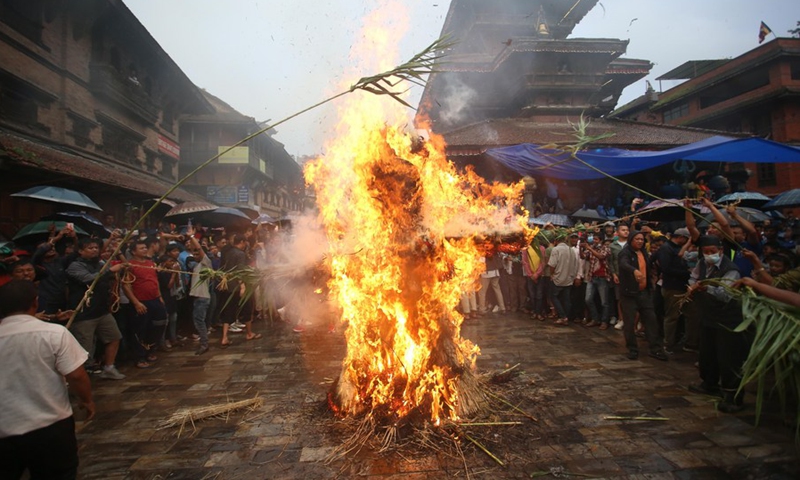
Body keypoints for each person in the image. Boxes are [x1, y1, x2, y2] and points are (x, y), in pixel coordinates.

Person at [0, 280, 95, 480]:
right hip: (50, 425)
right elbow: (76, 375)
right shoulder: (53, 333)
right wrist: (86, 400)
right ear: (35, 303)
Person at [686, 235, 749, 413]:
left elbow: (726, 294)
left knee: (728, 357)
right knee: (707, 353)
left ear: (720, 250)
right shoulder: (702, 264)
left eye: (713, 252)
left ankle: (733, 395)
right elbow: (693, 278)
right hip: (709, 316)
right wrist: (693, 286)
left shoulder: (731, 270)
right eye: (706, 252)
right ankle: (709, 383)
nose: (709, 255)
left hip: (728, 319)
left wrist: (706, 288)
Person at [65, 238, 127, 379]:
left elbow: (110, 277)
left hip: (102, 310)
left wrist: (118, 270)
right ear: (80, 251)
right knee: (84, 347)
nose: (94, 250)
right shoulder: (75, 266)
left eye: (96, 247)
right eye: (90, 248)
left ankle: (109, 367)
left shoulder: (100, 263)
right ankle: (81, 375)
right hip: (84, 313)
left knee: (114, 336)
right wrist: (110, 270)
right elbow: (89, 279)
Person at [617, 231, 668, 361]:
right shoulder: (625, 253)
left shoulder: (644, 252)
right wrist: (634, 270)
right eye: (637, 239)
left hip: (644, 292)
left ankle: (655, 349)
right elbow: (623, 263)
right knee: (629, 322)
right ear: (630, 240)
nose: (639, 241)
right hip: (629, 293)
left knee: (651, 319)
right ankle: (632, 349)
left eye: (641, 239)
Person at [123, 239, 168, 368]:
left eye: (144, 247)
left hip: (155, 299)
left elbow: (155, 281)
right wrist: (136, 303)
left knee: (159, 323)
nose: (144, 250)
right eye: (141, 248)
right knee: (140, 329)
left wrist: (159, 296)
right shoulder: (130, 265)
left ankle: (150, 349)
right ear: (133, 251)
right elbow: (126, 286)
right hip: (141, 301)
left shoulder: (150, 263)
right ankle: (140, 356)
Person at [653, 228, 691, 353]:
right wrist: (686, 273)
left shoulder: (674, 248)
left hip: (680, 285)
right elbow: (666, 268)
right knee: (671, 316)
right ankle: (668, 344)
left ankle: (680, 340)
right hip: (672, 287)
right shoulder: (667, 248)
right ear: (680, 237)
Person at [186, 227, 212, 355]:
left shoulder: (205, 263)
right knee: (198, 321)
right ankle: (204, 343)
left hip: (202, 298)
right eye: (194, 255)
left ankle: (204, 344)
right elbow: (195, 250)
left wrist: (192, 237)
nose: (195, 256)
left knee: (199, 322)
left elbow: (199, 250)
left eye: (197, 255)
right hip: (198, 298)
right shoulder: (197, 265)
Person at [548, 232, 580, 325]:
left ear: (556, 241)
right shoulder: (571, 250)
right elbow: (575, 264)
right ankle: (566, 317)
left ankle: (563, 317)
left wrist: (552, 274)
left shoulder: (556, 249)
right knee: (566, 299)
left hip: (558, 278)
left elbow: (552, 264)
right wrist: (573, 276)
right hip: (569, 279)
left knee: (554, 297)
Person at [609, 223, 629, 330]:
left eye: (627, 230)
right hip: (618, 275)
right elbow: (611, 262)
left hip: (630, 275)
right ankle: (621, 319)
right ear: (618, 232)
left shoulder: (630, 245)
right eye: (623, 230)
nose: (625, 232)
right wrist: (613, 274)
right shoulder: (612, 245)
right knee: (619, 299)